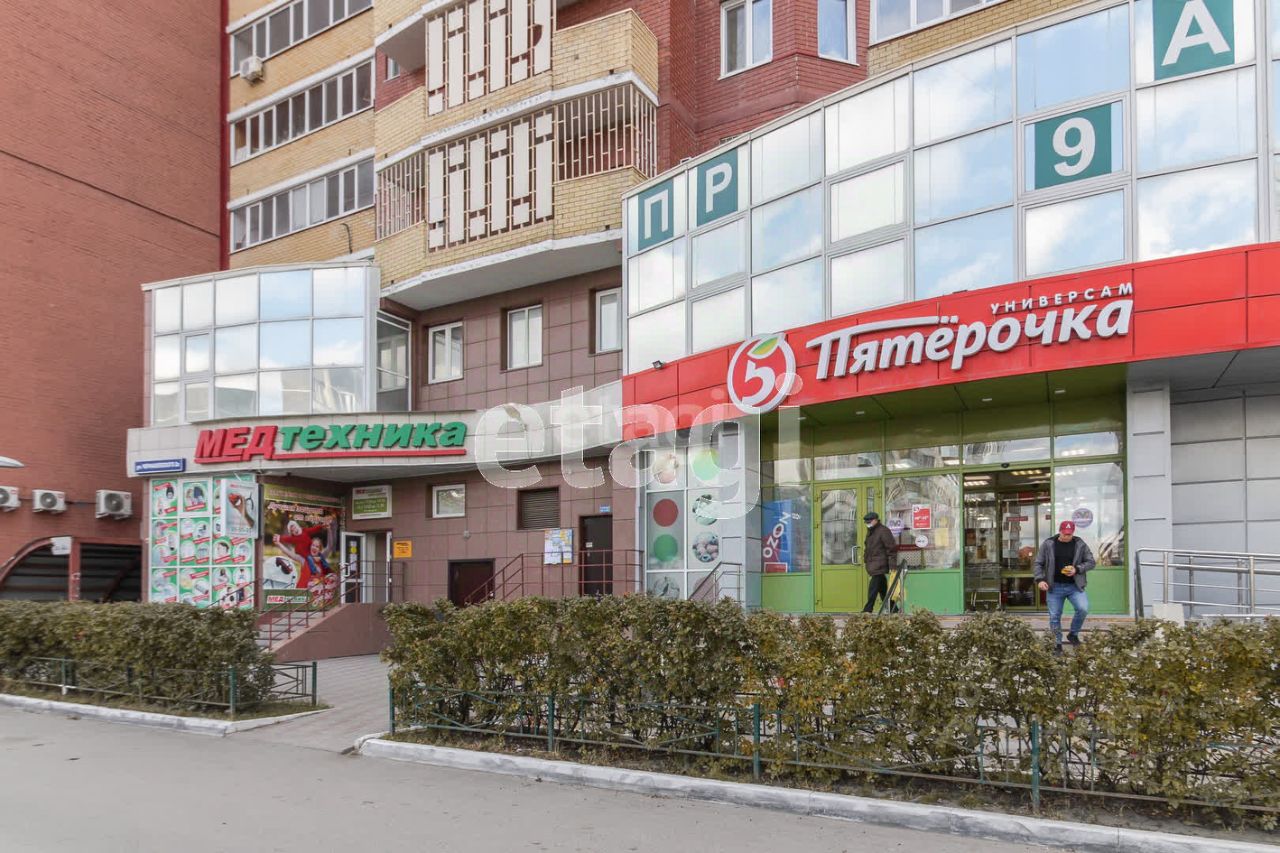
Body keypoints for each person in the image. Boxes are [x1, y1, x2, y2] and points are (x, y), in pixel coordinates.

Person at [1035, 520, 1095, 653]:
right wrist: (1040, 580)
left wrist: (1077, 569)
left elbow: (1091, 562)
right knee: (1054, 616)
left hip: (1074, 586)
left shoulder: (1080, 544)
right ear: (1060, 531)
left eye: (1069, 534)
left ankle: (1073, 634)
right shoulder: (1048, 544)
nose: (1067, 536)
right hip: (1054, 587)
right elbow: (1038, 563)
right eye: (1064, 533)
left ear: (1073, 532)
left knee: (1083, 609)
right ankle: (1057, 643)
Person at [862, 511, 899, 614]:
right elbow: (868, 548)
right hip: (873, 564)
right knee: (883, 590)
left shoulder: (883, 531)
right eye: (866, 522)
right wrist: (866, 559)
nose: (867, 523)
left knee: (873, 588)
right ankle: (894, 609)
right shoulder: (871, 531)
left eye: (869, 521)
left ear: (876, 520)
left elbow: (891, 549)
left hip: (880, 565)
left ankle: (867, 610)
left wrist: (892, 566)